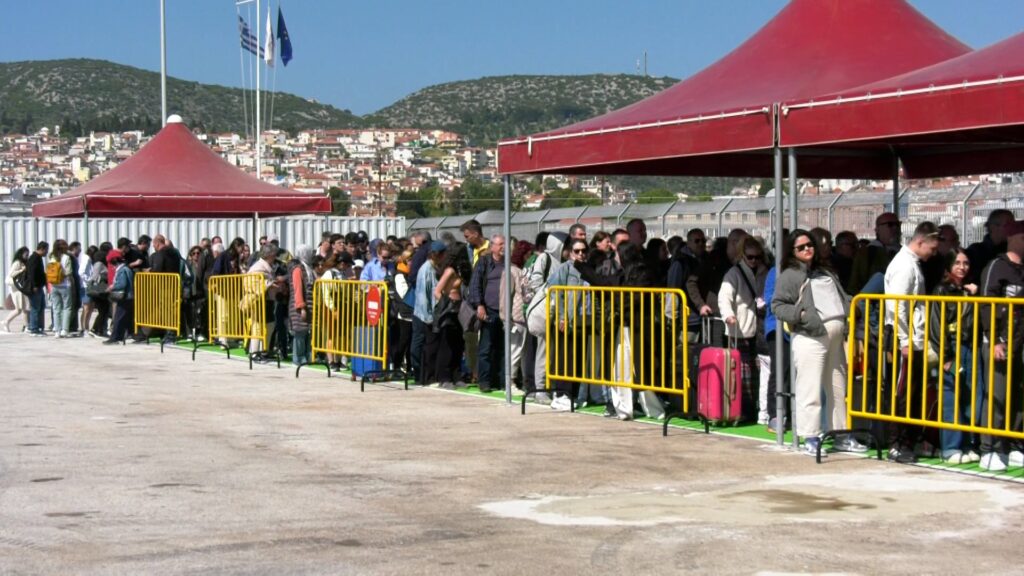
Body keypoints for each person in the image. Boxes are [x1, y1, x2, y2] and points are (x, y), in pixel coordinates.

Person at [772, 230, 865, 457]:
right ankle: (810, 436)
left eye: (809, 245)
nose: (807, 249)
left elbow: (841, 296)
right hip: (810, 337)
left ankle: (841, 434)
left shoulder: (825, 270)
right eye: (801, 247)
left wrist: (853, 306)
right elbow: (777, 305)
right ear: (792, 251)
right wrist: (800, 315)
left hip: (835, 335)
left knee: (837, 387)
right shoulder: (790, 275)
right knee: (809, 388)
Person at [884, 221, 941, 463]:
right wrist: (904, 341)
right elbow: (897, 307)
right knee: (902, 393)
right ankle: (897, 444)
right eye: (932, 248)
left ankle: (908, 440)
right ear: (920, 242)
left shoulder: (912, 264)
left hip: (913, 338)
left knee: (913, 392)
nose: (933, 253)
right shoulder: (904, 266)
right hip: (904, 340)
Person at [976, 220, 1024, 472]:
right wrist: (994, 339)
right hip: (999, 342)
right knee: (996, 395)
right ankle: (989, 448)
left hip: (1020, 342)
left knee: (1017, 395)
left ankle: (1014, 444)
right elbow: (986, 304)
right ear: (1014, 238)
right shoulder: (996, 266)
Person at [929, 248, 982, 465]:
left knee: (972, 398)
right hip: (951, 346)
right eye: (957, 263)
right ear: (949, 266)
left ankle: (968, 443)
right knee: (950, 398)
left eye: (966, 263)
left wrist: (975, 296)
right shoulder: (941, 290)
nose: (962, 267)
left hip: (971, 347)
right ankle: (950, 446)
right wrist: (946, 356)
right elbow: (936, 325)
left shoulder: (970, 290)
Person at [718, 236, 769, 423]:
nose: (755, 260)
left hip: (759, 327)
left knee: (757, 372)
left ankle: (757, 409)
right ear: (742, 255)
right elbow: (724, 297)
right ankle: (742, 410)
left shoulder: (765, 271)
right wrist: (728, 315)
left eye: (758, 256)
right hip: (739, 327)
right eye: (750, 257)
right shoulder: (733, 273)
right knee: (741, 373)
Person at [468, 234, 507, 393]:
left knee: (502, 347)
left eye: (504, 244)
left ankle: (499, 379)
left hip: (504, 311)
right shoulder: (484, 262)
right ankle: (484, 380)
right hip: (488, 309)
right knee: (486, 347)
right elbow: (475, 284)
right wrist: (479, 305)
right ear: (493, 247)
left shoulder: (508, 263)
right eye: (500, 244)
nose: (503, 247)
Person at [501, 240, 533, 390]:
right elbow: (506, 295)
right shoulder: (511, 271)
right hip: (515, 317)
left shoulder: (520, 270)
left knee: (522, 351)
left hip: (523, 316)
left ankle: (517, 380)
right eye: (528, 254)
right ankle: (510, 381)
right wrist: (506, 317)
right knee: (515, 350)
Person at [415, 241, 446, 385]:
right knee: (429, 348)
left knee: (434, 347)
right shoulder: (426, 270)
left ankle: (431, 375)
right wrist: (428, 318)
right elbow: (423, 296)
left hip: (434, 315)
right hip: (427, 316)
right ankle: (427, 377)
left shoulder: (435, 268)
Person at [848, 212, 902, 294]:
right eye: (890, 225)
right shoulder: (866, 252)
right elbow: (854, 283)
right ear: (877, 230)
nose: (895, 228)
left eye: (898, 224)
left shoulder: (905, 252)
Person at [247, 245, 286, 357]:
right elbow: (251, 284)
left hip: (267, 299)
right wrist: (268, 284)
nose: (275, 257)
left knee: (270, 324)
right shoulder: (258, 267)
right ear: (269, 255)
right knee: (258, 326)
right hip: (258, 300)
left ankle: (264, 349)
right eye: (274, 254)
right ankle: (254, 352)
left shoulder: (267, 266)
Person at [288, 246, 316, 366]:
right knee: (299, 332)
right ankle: (298, 358)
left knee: (306, 332)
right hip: (300, 306)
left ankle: (306, 356)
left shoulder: (308, 268)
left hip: (309, 304)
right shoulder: (298, 269)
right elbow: (298, 289)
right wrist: (301, 307)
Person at [967, 209, 1013, 282]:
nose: (1013, 229)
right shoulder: (976, 251)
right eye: (1008, 225)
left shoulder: (1013, 251)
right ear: (993, 227)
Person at [104, 250, 135, 344]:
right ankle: (119, 336)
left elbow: (122, 284)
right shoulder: (127, 269)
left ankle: (115, 338)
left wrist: (112, 287)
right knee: (123, 318)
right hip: (129, 297)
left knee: (118, 318)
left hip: (125, 297)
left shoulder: (122, 270)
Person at [47, 239, 74, 338]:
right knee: (67, 307)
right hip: (65, 285)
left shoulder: (51, 257)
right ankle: (64, 330)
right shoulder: (66, 257)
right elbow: (68, 272)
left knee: (56, 308)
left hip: (54, 285)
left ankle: (57, 330)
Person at [25, 242, 48, 336]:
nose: (47, 252)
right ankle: (33, 329)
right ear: (42, 249)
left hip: (39, 287)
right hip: (35, 287)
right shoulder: (34, 258)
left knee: (41, 306)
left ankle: (38, 327)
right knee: (35, 308)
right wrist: (34, 286)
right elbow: (31, 273)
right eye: (46, 249)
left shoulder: (38, 258)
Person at [4, 247, 29, 332]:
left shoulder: (23, 262)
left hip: (21, 288)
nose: (27, 256)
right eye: (25, 254)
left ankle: (26, 326)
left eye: (27, 254)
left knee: (25, 308)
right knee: (19, 309)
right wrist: (21, 270)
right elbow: (11, 274)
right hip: (16, 288)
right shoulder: (17, 263)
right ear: (21, 254)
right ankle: (6, 321)